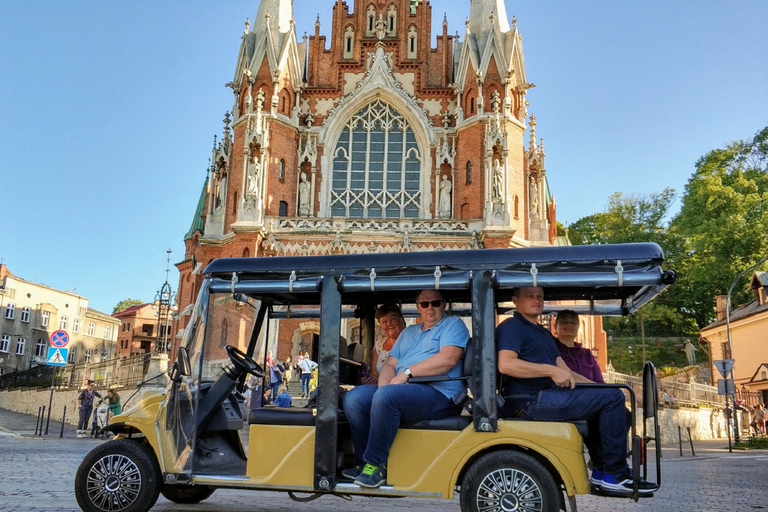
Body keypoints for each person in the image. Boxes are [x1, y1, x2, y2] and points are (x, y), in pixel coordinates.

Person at [495, 286, 655, 496]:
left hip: (548, 396)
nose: (536, 300)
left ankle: (600, 470)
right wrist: (550, 371)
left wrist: (601, 389)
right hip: (528, 401)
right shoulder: (512, 326)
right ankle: (616, 474)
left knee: (616, 401)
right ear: (515, 301)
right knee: (612, 398)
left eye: (540, 297)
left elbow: (566, 372)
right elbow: (506, 365)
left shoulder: (543, 334)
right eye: (530, 296)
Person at [342, 289, 469, 488]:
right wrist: (383, 386)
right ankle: (363, 462)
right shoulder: (409, 332)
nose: (430, 308)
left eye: (435, 303)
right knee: (354, 399)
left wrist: (407, 373)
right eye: (425, 304)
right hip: (403, 390)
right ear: (417, 306)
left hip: (440, 392)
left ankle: (377, 464)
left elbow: (448, 359)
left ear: (444, 304)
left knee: (387, 396)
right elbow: (391, 364)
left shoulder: (453, 324)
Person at [554, 310, 604, 383]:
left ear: (578, 327)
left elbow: (600, 382)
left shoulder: (587, 354)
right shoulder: (551, 349)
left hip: (589, 393)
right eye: (564, 322)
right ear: (555, 326)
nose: (569, 325)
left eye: (573, 322)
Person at [370, 303, 406, 381]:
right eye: (384, 322)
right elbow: (373, 373)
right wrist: (370, 381)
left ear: (401, 319)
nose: (389, 324)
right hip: (380, 387)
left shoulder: (413, 340)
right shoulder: (378, 346)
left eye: (393, 319)